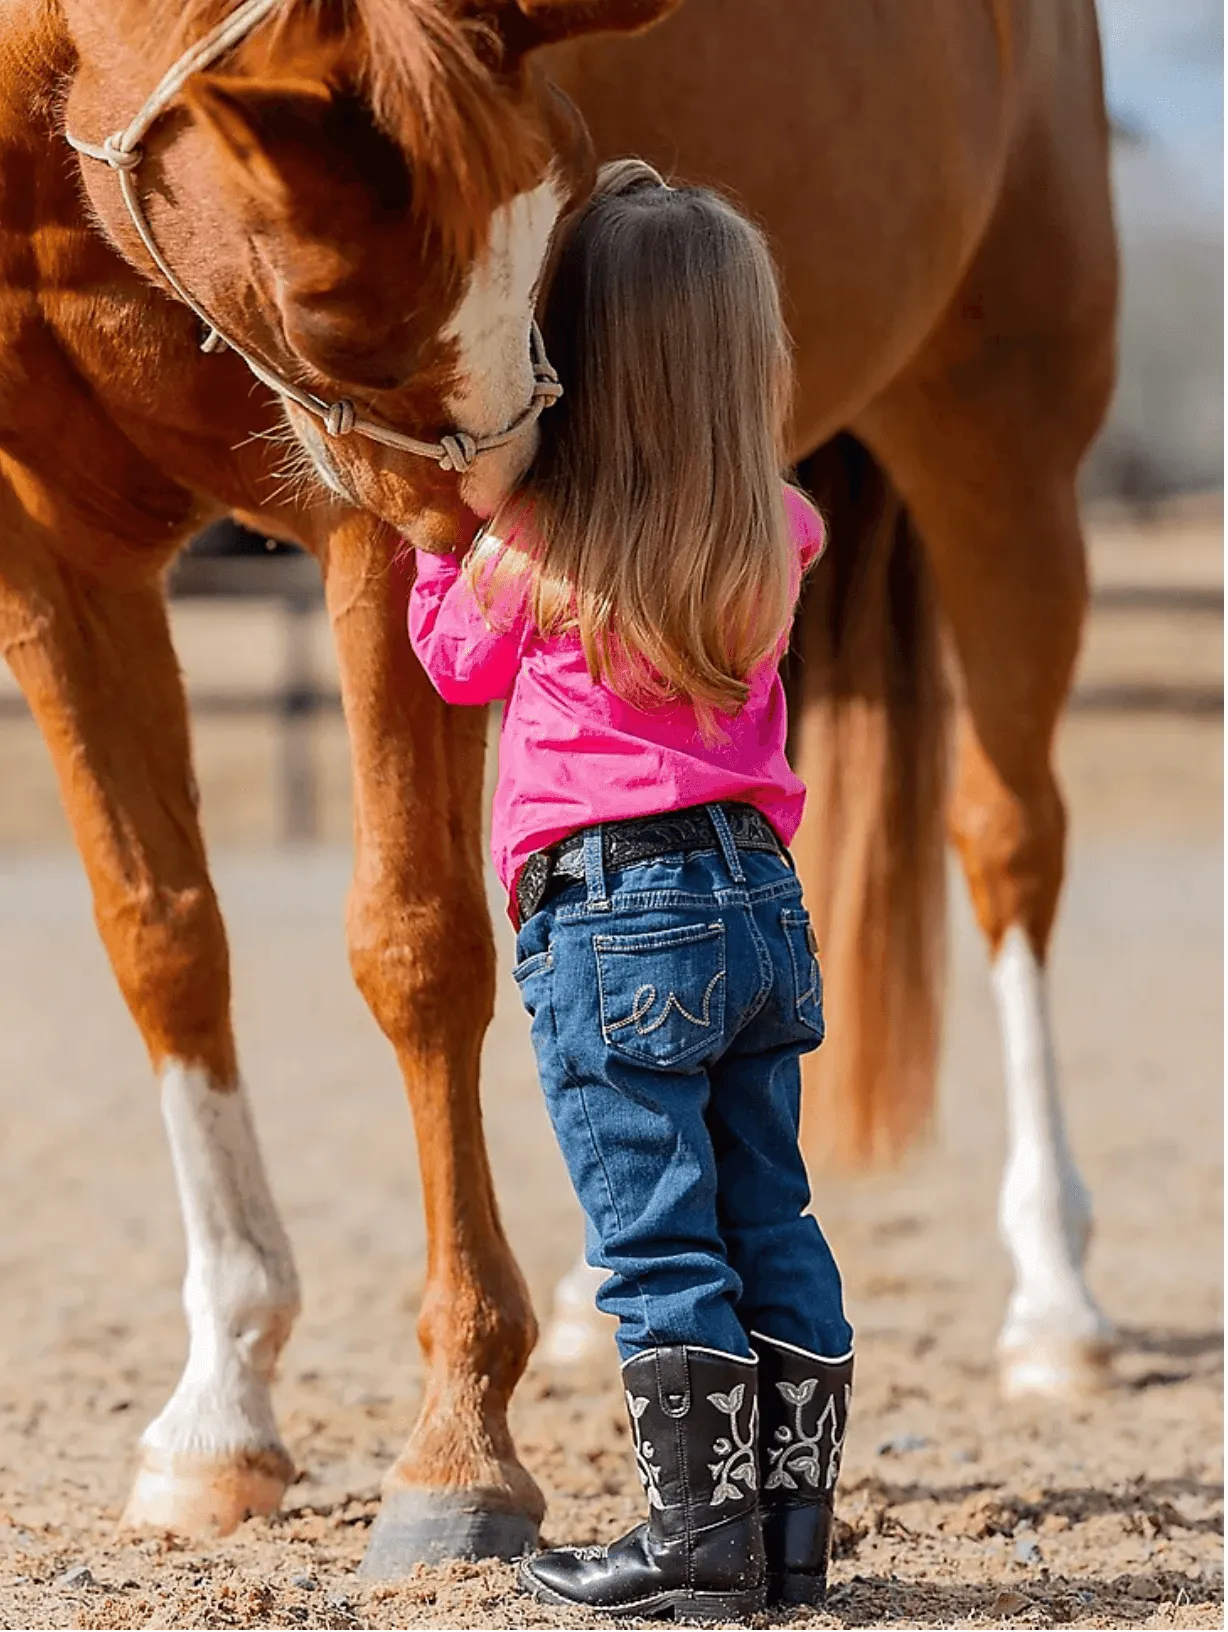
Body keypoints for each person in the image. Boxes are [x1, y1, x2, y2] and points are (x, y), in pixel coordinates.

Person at [408, 159, 853, 1621]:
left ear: (572, 355)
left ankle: (693, 1546)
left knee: (655, 1232)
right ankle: (787, 1537)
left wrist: (440, 537)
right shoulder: (779, 528)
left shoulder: (538, 544)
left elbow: (450, 665)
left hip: (610, 915)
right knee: (769, 1212)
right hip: (761, 901)